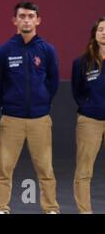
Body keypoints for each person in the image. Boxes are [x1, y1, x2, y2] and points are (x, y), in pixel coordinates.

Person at [0, 1, 60, 214]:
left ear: (38, 20)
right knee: (4, 168)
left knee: (45, 168)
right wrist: (8, 103)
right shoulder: (4, 50)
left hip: (40, 119)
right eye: (22, 16)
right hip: (12, 119)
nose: (26, 20)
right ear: (15, 20)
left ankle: (50, 208)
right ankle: (1, 208)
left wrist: (42, 102)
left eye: (31, 16)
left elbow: (53, 81)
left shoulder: (47, 49)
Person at [72, 17, 105, 214]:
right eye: (101, 29)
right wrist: (89, 106)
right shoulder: (82, 62)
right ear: (94, 33)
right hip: (90, 121)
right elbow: (77, 91)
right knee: (84, 171)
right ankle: (85, 212)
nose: (104, 33)